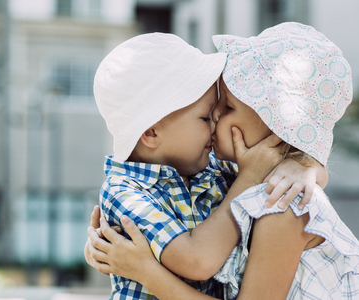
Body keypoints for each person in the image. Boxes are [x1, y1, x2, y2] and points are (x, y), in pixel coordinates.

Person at [87, 22, 359, 299]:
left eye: (226, 107)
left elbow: (307, 180)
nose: (216, 117)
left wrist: (304, 166)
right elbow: (198, 259)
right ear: (151, 132)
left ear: (274, 123)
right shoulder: (141, 187)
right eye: (207, 115)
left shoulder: (270, 196)